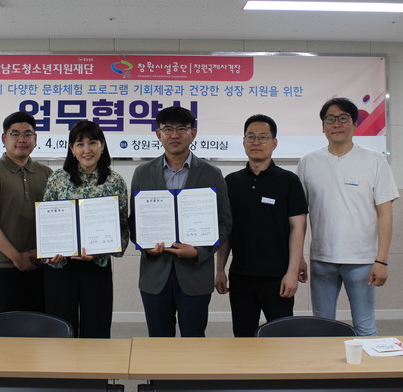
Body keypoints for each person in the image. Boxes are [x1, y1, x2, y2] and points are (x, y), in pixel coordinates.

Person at [298, 97, 399, 336]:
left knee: (365, 327)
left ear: (355, 124)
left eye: (343, 118)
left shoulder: (375, 161)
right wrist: (299, 257)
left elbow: (385, 214)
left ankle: (367, 363)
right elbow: (299, 216)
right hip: (322, 259)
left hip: (362, 261)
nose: (337, 124)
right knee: (322, 328)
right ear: (323, 126)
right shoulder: (308, 162)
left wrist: (381, 261)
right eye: (330, 119)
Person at [128, 106, 232, 337]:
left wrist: (199, 252)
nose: (174, 135)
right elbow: (135, 222)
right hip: (155, 276)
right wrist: (146, 246)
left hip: (195, 275)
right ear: (158, 134)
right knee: (158, 341)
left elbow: (224, 223)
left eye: (182, 128)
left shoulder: (212, 173)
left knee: (193, 342)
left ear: (193, 133)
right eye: (168, 129)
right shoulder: (142, 173)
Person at [216, 114, 308, 337]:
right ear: (243, 141)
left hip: (278, 277)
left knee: (282, 338)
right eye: (251, 137)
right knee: (243, 338)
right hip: (241, 277)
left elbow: (298, 229)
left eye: (263, 137)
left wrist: (292, 272)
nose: (256, 142)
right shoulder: (231, 182)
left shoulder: (289, 181)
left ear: (274, 142)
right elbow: (226, 230)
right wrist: (219, 269)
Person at [42, 121, 129, 338]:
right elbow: (46, 223)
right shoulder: (57, 178)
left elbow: (122, 227)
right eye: (80, 144)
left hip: (96, 266)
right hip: (61, 265)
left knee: (96, 329)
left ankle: (95, 363)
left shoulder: (114, 181)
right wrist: (49, 251)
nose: (87, 150)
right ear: (72, 149)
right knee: (61, 330)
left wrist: (102, 250)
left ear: (102, 145)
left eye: (92, 143)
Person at [0, 111, 53, 316]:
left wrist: (42, 253)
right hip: (0, 267)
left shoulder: (47, 174)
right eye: (15, 134)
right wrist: (16, 257)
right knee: (1, 330)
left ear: (35, 139)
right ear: (4, 138)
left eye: (28, 134)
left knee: (40, 328)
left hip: (40, 266)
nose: (21, 140)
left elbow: (57, 220)